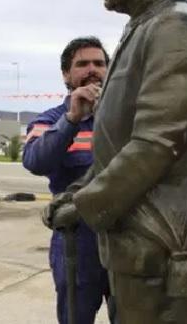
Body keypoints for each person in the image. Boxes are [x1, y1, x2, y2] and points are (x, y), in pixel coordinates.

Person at [45, 0, 187, 323]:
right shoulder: (143, 26)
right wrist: (78, 189)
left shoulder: (175, 26)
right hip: (134, 240)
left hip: (158, 241)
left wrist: (87, 205)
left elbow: (155, 144)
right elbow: (118, 140)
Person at [24, 37, 114, 324]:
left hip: (125, 239)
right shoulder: (50, 120)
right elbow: (35, 161)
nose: (92, 70)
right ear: (66, 74)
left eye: (99, 64)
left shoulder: (126, 119)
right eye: (82, 64)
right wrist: (72, 120)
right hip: (77, 242)